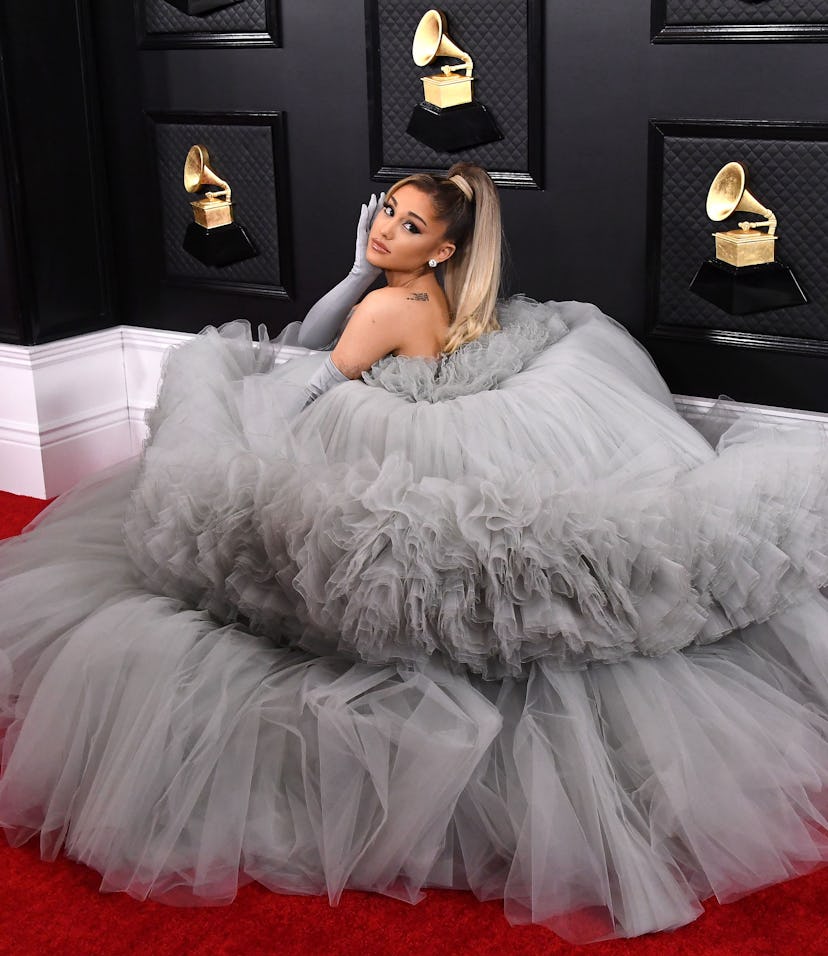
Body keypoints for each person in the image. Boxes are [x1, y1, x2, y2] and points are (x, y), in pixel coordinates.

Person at [1, 162, 828, 945]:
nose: (384, 229)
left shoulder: (384, 310)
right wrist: (362, 275)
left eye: (408, 223)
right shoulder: (432, 295)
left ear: (442, 247)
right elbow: (334, 336)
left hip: (374, 418)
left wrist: (262, 416)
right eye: (386, 212)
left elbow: (311, 367)